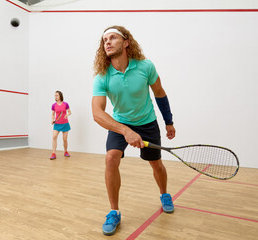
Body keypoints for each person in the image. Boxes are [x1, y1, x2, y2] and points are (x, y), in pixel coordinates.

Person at [92, 26, 176, 236]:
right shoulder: (102, 76)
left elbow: (159, 93)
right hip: (120, 124)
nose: (107, 42)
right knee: (111, 158)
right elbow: (97, 113)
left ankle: (164, 194)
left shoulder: (146, 66)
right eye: (104, 40)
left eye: (113, 38)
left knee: (156, 163)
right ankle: (114, 211)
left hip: (147, 123)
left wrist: (169, 122)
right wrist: (125, 131)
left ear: (126, 42)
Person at [50, 90, 72, 160]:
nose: (55, 97)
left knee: (65, 139)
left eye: (57, 95)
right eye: (55, 95)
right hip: (57, 124)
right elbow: (53, 114)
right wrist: (52, 120)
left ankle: (65, 151)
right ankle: (53, 153)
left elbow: (70, 112)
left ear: (60, 96)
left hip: (65, 124)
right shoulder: (54, 105)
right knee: (54, 137)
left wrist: (67, 115)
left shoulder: (65, 104)